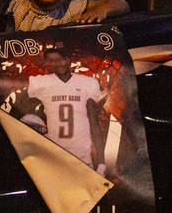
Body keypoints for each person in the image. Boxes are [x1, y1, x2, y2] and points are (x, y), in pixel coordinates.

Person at [17, 44, 108, 173]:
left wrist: (101, 163)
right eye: (52, 61)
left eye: (60, 59)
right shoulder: (42, 83)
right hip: (55, 157)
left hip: (82, 158)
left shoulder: (87, 83)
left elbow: (94, 124)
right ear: (48, 63)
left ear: (68, 59)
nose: (57, 64)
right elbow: (16, 96)